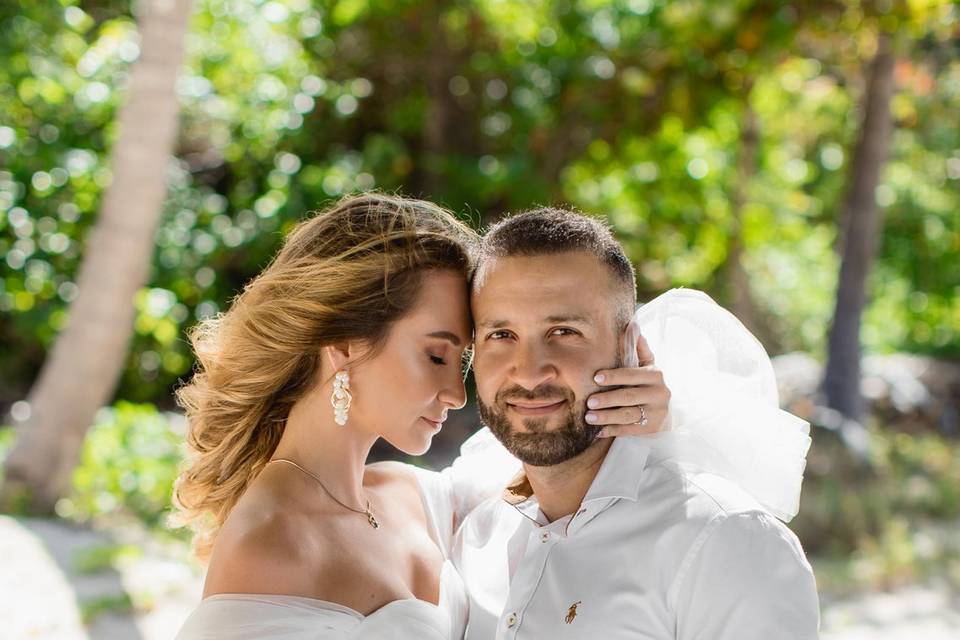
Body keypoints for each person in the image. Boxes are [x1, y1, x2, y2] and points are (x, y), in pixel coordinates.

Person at [173, 194, 668, 639]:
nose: (457, 393)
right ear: (345, 344)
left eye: (464, 362)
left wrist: (637, 413)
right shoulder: (268, 543)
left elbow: (553, 470)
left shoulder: (413, 498)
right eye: (436, 356)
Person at [454, 207, 819, 639]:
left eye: (564, 332)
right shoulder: (473, 534)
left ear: (631, 346)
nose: (530, 372)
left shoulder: (725, 540)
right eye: (501, 335)